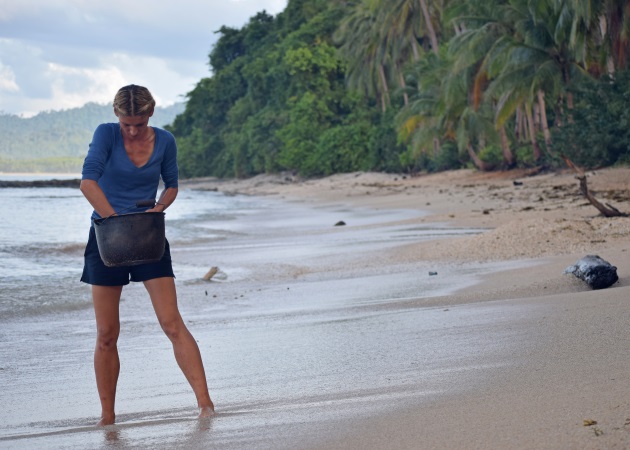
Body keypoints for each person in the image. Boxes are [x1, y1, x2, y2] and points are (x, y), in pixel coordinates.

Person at [79, 84, 214, 426]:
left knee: (172, 323)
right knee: (107, 333)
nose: (133, 130)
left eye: (139, 123)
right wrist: (114, 221)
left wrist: (159, 208)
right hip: (106, 239)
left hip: (149, 235)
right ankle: (107, 417)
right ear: (117, 117)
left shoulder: (165, 140)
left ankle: (206, 405)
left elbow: (171, 184)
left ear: (151, 114)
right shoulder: (106, 135)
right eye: (127, 123)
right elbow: (88, 182)